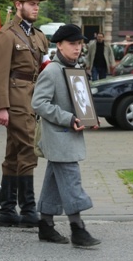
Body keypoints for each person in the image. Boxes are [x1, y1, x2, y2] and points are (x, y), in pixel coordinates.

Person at [31, 23, 101, 247]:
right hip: (59, 136)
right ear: (59, 45)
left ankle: (45, 225)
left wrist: (90, 117)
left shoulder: (75, 68)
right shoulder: (51, 71)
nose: (78, 48)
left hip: (69, 136)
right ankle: (78, 229)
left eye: (80, 43)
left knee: (54, 180)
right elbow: (38, 103)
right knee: (71, 181)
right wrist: (69, 119)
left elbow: (79, 101)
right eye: (72, 44)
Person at [0, 0, 50, 228]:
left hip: (32, 98)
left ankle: (7, 211)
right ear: (18, 5)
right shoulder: (7, 35)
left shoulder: (37, 35)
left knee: (14, 154)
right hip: (15, 100)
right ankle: (27, 210)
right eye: (31, 2)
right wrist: (1, 107)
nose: (36, 6)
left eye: (37, 3)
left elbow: (43, 68)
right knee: (28, 149)